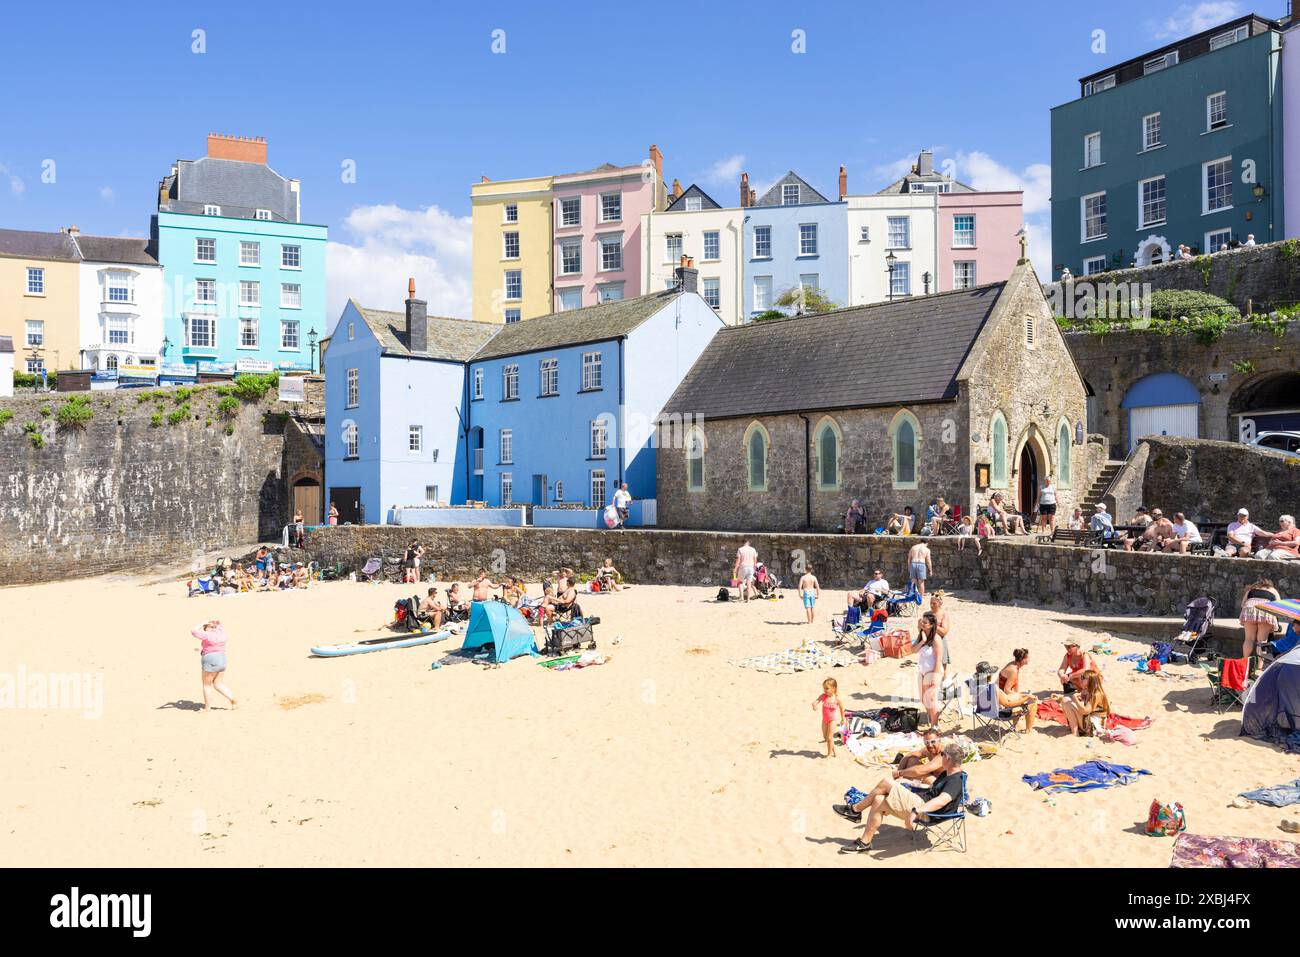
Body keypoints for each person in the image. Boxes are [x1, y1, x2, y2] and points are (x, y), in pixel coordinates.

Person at [832, 742, 966, 854]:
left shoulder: (955, 780)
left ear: (948, 758)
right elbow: (933, 789)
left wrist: (916, 811)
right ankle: (864, 842)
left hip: (926, 812)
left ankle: (855, 810)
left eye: (942, 755)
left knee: (886, 782)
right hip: (921, 801)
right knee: (879, 799)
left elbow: (941, 801)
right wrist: (910, 785)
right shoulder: (946, 774)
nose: (940, 757)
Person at [191, 619, 236, 712]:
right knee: (218, 684)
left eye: (205, 627)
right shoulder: (222, 634)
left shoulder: (207, 635)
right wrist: (216, 624)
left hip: (211, 659)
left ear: (207, 628)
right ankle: (232, 699)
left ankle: (207, 708)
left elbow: (193, 631)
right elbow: (221, 626)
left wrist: (202, 623)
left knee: (206, 685)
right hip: (222, 659)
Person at [914, 611, 947, 729]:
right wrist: (922, 640)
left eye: (925, 622)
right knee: (923, 699)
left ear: (932, 625)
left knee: (930, 699)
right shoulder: (922, 636)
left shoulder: (936, 639)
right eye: (922, 622)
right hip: (922, 671)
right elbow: (913, 650)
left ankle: (934, 725)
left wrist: (935, 676)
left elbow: (939, 659)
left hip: (933, 671)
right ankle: (933, 719)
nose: (922, 624)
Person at [997, 648, 1038, 731]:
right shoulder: (1014, 670)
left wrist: (1019, 694)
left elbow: (1015, 682)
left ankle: (1015, 726)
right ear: (1022, 660)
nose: (1029, 659)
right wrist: (1022, 696)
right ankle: (1028, 729)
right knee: (1033, 701)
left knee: (1025, 696)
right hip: (1002, 698)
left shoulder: (1014, 665)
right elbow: (1007, 690)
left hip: (998, 695)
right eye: (1027, 658)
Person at [1240, 577, 1281, 659]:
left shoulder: (1251, 589)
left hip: (1249, 610)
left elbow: (1242, 604)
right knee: (1262, 641)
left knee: (1248, 639)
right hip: (1265, 610)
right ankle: (1259, 666)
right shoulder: (1272, 590)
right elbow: (1279, 606)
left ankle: (1244, 661)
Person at [1060, 670, 1110, 737]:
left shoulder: (1096, 694)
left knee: (1067, 701)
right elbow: (1082, 703)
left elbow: (1085, 711)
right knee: (1065, 700)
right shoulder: (1087, 690)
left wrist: (1075, 699)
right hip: (1089, 720)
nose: (1080, 679)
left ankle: (1075, 733)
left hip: (1095, 727)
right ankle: (1075, 731)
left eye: (1083, 677)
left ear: (1090, 680)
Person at [813, 677, 845, 758]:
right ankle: (834, 750)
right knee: (826, 738)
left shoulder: (837, 699)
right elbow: (816, 701)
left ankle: (829, 754)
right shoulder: (823, 696)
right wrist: (814, 705)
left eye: (827, 688)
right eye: (824, 688)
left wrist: (843, 718)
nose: (825, 690)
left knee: (830, 737)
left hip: (832, 720)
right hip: (824, 720)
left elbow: (842, 708)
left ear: (833, 688)